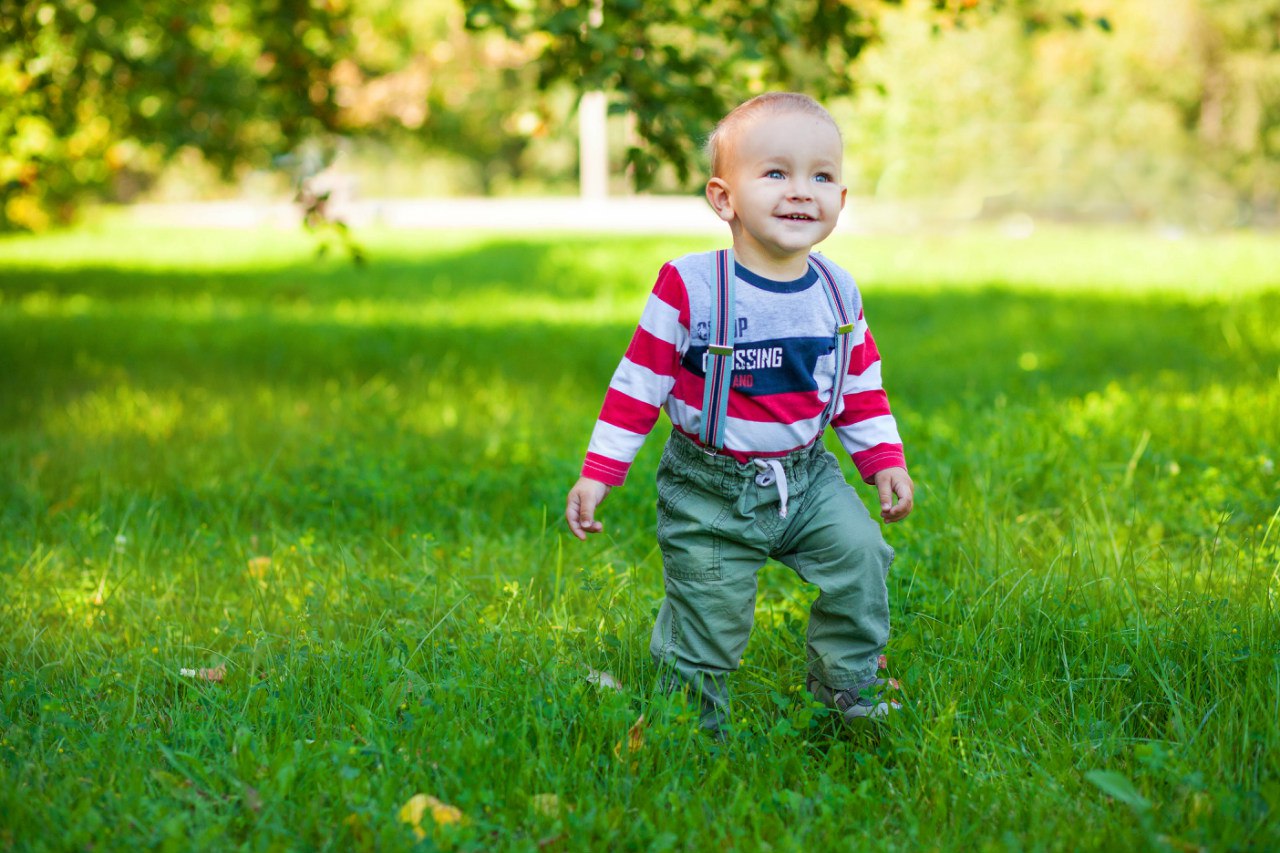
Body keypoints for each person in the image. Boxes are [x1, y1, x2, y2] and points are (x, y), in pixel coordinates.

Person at [565, 92, 914, 732]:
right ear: (725, 199)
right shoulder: (692, 286)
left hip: (807, 478)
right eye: (776, 173)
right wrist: (600, 471)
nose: (801, 191)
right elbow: (638, 384)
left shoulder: (838, 290)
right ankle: (690, 725)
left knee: (861, 556)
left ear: (842, 199)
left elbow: (859, 383)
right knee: (711, 613)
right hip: (711, 489)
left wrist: (881, 457)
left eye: (822, 176)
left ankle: (848, 689)